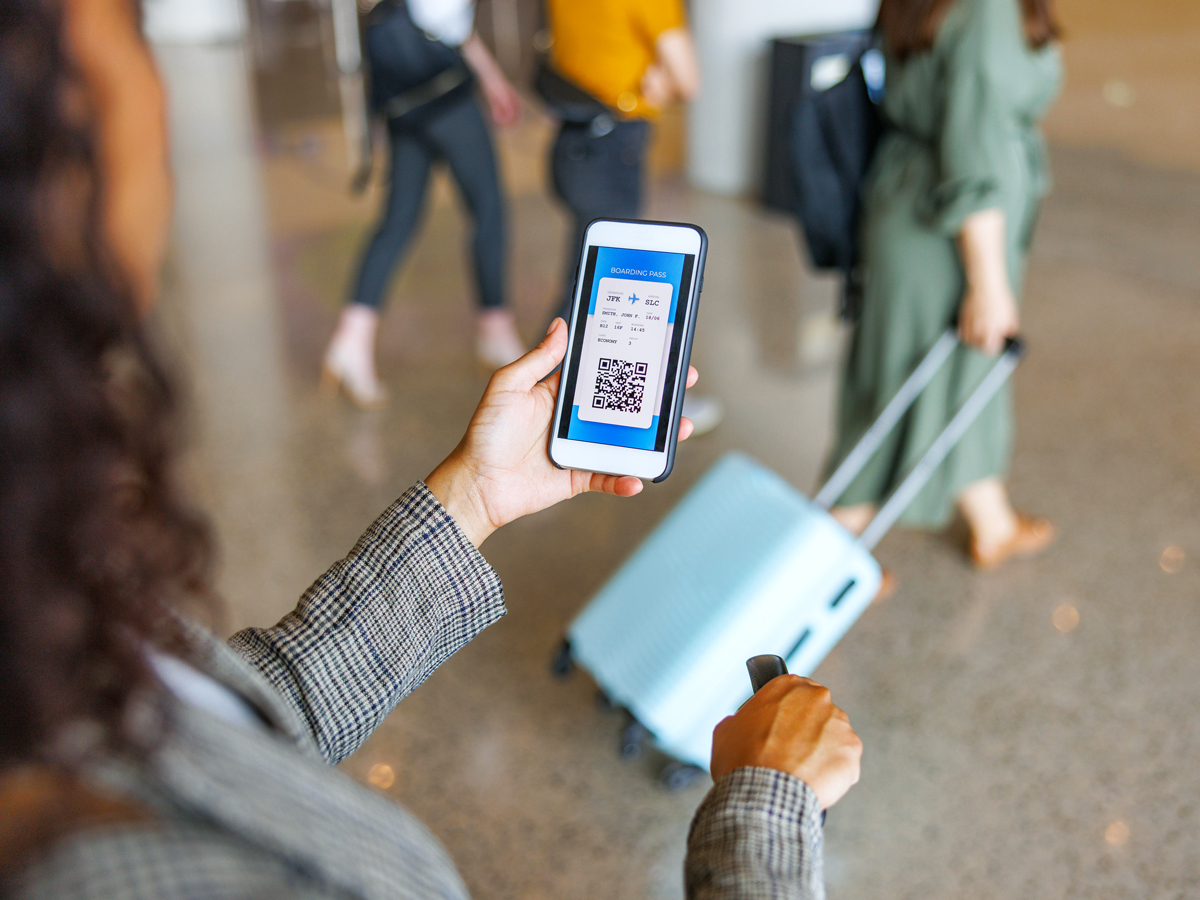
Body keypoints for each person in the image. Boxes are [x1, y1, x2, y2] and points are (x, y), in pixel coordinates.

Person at [0, 1, 862, 898]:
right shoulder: (132, 872)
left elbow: (240, 724)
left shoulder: (36, 617)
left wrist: (474, 500)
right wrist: (766, 812)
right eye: (128, 33)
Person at [827, 0, 1063, 569]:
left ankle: (992, 519)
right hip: (951, 227)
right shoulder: (987, 9)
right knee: (902, 389)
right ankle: (827, 562)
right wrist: (988, 280)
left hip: (908, 199)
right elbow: (974, 141)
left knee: (948, 374)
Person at [322, 0, 525, 409]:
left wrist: (492, 78)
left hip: (404, 101)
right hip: (446, 97)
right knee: (489, 211)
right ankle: (496, 332)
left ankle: (351, 339)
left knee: (399, 220)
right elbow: (445, 19)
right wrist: (491, 79)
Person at [541, 0, 722, 435]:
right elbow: (690, 80)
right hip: (612, 148)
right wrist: (659, 79)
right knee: (603, 288)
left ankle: (565, 395)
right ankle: (558, 402)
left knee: (586, 279)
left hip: (572, 140)